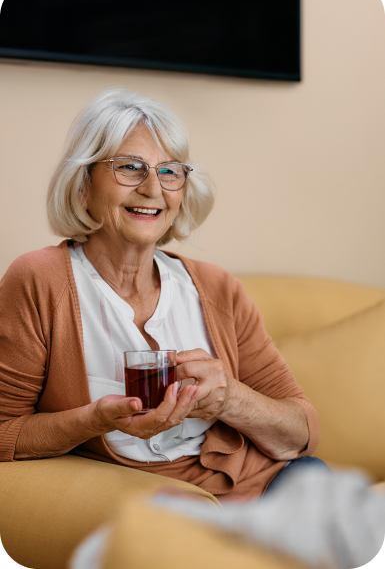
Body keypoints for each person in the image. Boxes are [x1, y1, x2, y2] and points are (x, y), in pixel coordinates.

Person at [0, 88, 324, 501]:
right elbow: (3, 432)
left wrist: (229, 398)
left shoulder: (217, 288)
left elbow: (302, 435)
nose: (153, 188)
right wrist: (95, 420)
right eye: (130, 167)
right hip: (141, 508)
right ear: (83, 185)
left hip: (261, 490)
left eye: (170, 171)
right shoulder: (39, 280)